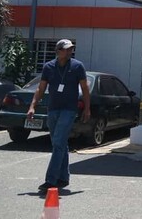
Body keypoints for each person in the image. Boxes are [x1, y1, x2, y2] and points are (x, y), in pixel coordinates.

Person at [27, 39, 90, 193]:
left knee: (58, 143)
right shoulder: (48, 67)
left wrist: (87, 108)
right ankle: (63, 177)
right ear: (58, 51)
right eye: (66, 49)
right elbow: (41, 88)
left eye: (71, 49)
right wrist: (32, 106)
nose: (69, 52)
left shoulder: (77, 66)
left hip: (69, 109)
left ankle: (51, 180)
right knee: (60, 144)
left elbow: (84, 88)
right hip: (53, 109)